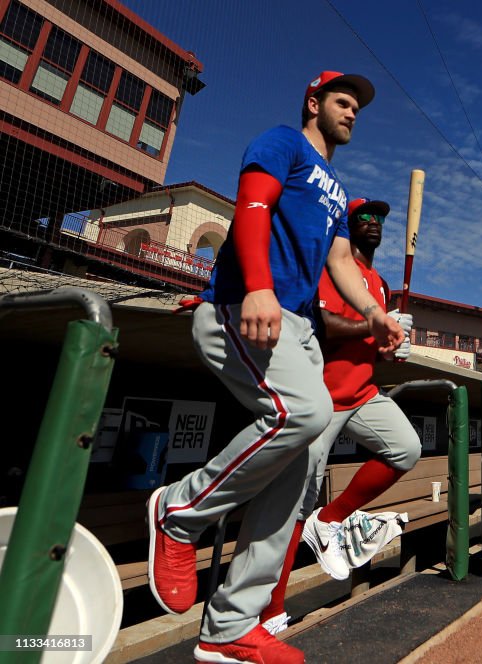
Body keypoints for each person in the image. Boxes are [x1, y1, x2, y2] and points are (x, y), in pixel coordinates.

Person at [146, 72, 403, 663]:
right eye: (343, 101)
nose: (353, 112)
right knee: (305, 412)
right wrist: (259, 287)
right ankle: (180, 511)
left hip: (297, 330)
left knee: (294, 473)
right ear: (313, 102)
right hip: (244, 309)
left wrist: (374, 311)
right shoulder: (282, 142)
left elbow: (340, 261)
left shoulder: (336, 188)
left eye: (358, 106)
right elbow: (253, 206)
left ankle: (231, 625)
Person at [258, 197, 420, 635]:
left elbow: (371, 351)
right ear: (348, 226)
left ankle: (329, 520)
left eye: (380, 219)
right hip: (320, 396)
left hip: (363, 392)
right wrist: (377, 325)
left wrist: (391, 345)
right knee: (294, 500)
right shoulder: (335, 266)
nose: (373, 224)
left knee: (406, 447)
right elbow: (323, 328)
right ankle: (270, 608)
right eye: (363, 217)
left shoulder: (381, 284)